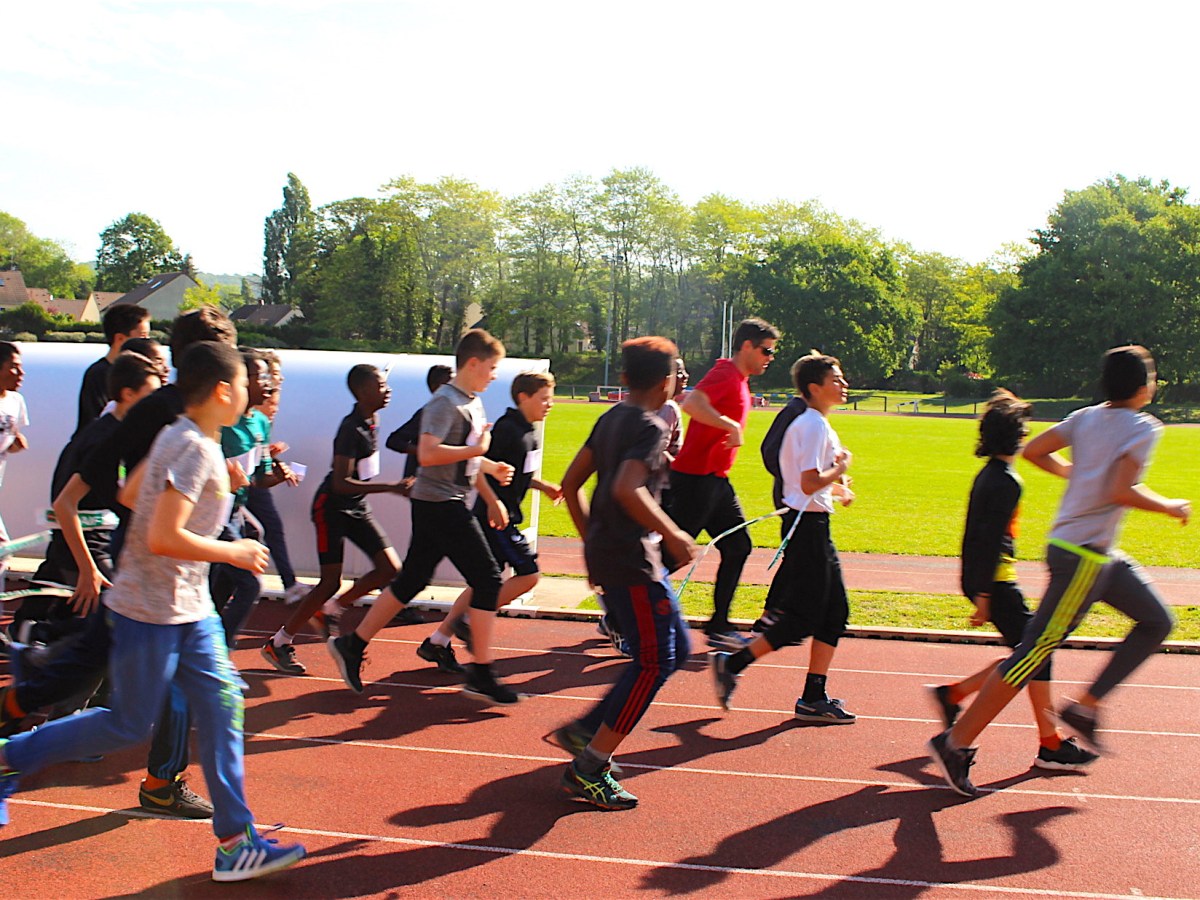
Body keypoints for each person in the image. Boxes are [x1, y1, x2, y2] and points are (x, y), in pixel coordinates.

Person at [0, 341, 307, 881]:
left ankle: (236, 843)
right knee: (127, 725)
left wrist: (214, 487)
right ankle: (11, 756)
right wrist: (231, 550)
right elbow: (164, 534)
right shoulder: (194, 447)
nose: (249, 394)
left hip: (189, 608)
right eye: (242, 385)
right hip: (151, 609)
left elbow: (131, 491)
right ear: (221, 390)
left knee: (223, 706)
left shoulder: (183, 436)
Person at [1, 309, 240, 818]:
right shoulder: (168, 418)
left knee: (112, 686)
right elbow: (90, 494)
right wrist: (122, 550)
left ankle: (220, 824)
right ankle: (19, 736)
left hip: (161, 581)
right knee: (104, 693)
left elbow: (134, 489)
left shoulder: (193, 421)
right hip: (145, 581)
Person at [929, 345, 1191, 798]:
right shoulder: (1144, 427)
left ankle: (1085, 709)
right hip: (1082, 555)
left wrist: (1076, 475)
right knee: (1032, 653)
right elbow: (1119, 489)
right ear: (1144, 386)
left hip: (1094, 553)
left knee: (1157, 621)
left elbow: (1034, 450)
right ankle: (955, 742)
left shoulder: (1087, 417)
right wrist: (1169, 506)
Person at [328, 330, 518, 703]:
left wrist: (490, 469)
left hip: (448, 498)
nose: (494, 375)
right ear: (473, 363)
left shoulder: (472, 402)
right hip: (437, 502)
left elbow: (465, 453)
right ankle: (481, 671)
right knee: (488, 578)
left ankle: (353, 643)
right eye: (492, 368)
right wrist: (479, 449)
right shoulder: (444, 402)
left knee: (414, 578)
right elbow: (429, 454)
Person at [552, 336, 697, 810]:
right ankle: (590, 765)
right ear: (665, 381)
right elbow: (625, 488)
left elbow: (571, 485)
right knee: (656, 660)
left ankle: (586, 731)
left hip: (619, 555)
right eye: (677, 373)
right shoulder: (651, 425)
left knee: (676, 648)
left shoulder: (610, 417)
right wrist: (674, 533)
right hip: (632, 560)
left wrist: (589, 537)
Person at [928, 390, 1098, 772]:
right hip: (995, 582)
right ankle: (1049, 744)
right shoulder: (1006, 482)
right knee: (1038, 655)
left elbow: (977, 538)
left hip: (988, 579)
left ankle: (954, 694)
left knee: (1027, 656)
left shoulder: (992, 475)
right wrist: (985, 594)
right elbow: (986, 540)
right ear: (1017, 436)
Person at [710, 353, 857, 723]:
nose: (843, 385)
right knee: (804, 618)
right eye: (836, 380)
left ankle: (813, 695)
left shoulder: (814, 423)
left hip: (812, 523)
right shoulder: (812, 425)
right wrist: (839, 469)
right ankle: (734, 662)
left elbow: (803, 481)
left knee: (835, 612)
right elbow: (808, 482)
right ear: (814, 387)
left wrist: (837, 488)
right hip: (807, 528)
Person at [262, 364, 405, 674]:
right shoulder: (349, 429)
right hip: (331, 507)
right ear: (363, 392)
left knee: (389, 568)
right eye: (381, 386)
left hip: (355, 506)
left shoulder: (372, 420)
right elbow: (340, 482)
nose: (388, 390)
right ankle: (279, 643)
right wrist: (391, 488)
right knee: (329, 582)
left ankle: (333, 609)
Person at [417, 371, 562, 673]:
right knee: (528, 574)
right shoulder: (508, 429)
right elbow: (478, 468)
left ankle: (437, 641)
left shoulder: (530, 432)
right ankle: (470, 619)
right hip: (494, 519)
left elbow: (516, 473)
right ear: (524, 397)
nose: (550, 404)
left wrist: (542, 486)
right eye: (544, 398)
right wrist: (493, 503)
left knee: (483, 581)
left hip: (504, 515)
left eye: (551, 398)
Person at [668, 317, 779, 649]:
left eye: (772, 352)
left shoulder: (740, 379)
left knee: (738, 546)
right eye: (765, 350)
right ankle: (618, 614)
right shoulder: (724, 373)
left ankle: (719, 625)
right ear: (746, 346)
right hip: (695, 478)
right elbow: (692, 402)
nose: (769, 358)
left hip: (715, 480)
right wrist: (728, 424)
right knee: (673, 554)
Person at [211, 348, 297, 647]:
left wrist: (278, 473)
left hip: (235, 510)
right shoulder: (221, 423)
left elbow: (258, 478)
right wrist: (225, 478)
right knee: (249, 584)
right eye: (261, 377)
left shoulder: (259, 424)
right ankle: (220, 648)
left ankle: (209, 636)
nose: (269, 383)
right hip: (212, 515)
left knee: (255, 534)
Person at [246, 351, 305, 604]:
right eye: (276, 375)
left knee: (266, 528)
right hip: (242, 480)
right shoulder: (253, 404)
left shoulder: (262, 411)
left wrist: (273, 460)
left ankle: (287, 582)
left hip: (255, 475)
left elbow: (258, 446)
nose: (280, 380)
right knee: (257, 529)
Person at [75, 303, 151, 434]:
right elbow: (94, 421)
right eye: (143, 336)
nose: (148, 342)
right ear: (120, 338)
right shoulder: (98, 374)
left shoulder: (145, 373)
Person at [0, 342, 29, 585]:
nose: (21, 374)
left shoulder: (15, 401)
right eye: (14, 368)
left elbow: (11, 439)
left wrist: (16, 442)